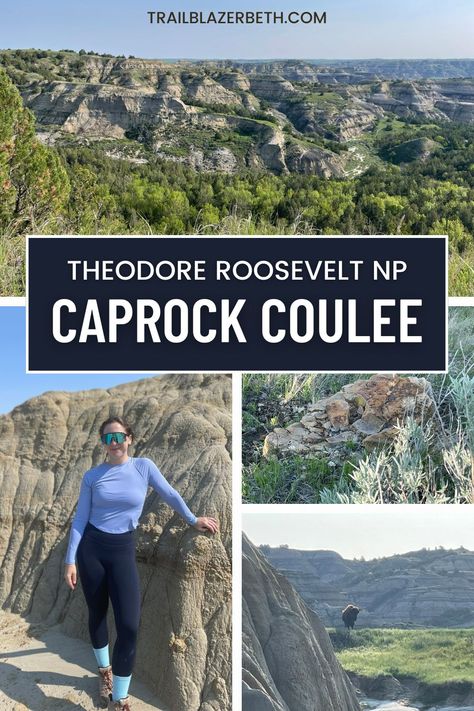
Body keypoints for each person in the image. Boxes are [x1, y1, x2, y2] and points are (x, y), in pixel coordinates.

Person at [64, 416, 219, 711]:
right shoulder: (92, 477)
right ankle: (104, 674)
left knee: (129, 626)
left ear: (129, 438)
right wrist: (70, 559)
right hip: (92, 550)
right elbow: (80, 519)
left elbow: (169, 494)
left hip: (123, 549)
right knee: (97, 613)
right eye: (108, 439)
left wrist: (192, 519)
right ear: (103, 444)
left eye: (118, 437)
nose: (114, 443)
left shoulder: (143, 466)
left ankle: (119, 698)